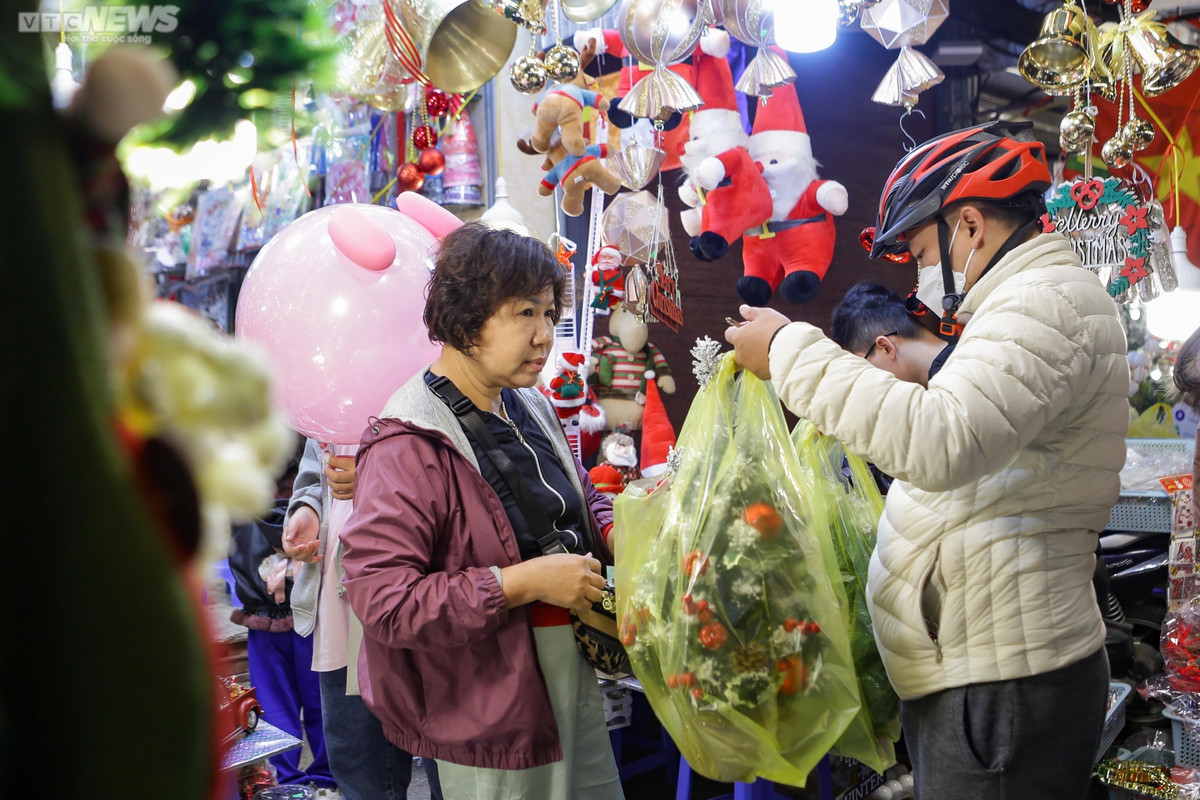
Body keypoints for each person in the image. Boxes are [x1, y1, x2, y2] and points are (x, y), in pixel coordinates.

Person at [726, 120, 1129, 800]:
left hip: (1003, 677)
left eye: (920, 251)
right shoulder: (1021, 304)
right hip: (986, 666)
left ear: (969, 226)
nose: (920, 274)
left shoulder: (1042, 303)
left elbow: (942, 441)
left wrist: (791, 351)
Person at [338, 222, 625, 800]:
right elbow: (385, 601)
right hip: (488, 704)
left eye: (548, 313)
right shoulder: (409, 441)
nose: (544, 335)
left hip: (568, 677)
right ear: (467, 317)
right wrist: (521, 583)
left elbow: (565, 495)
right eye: (525, 314)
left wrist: (617, 525)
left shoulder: (526, 402)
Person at [282, 439, 443, 800]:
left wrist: (381, 474)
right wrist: (308, 508)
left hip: (424, 590)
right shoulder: (327, 389)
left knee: (448, 761)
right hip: (342, 598)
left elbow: (461, 463)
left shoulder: (433, 383)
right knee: (358, 762)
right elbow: (316, 471)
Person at [229, 434, 339, 797]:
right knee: (293, 699)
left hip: (298, 594)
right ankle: (303, 780)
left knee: (310, 696)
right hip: (274, 599)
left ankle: (306, 780)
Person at [831, 282, 955, 387]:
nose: (868, 383)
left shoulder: (953, 391)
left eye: (864, 369)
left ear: (886, 348)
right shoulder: (969, 343)